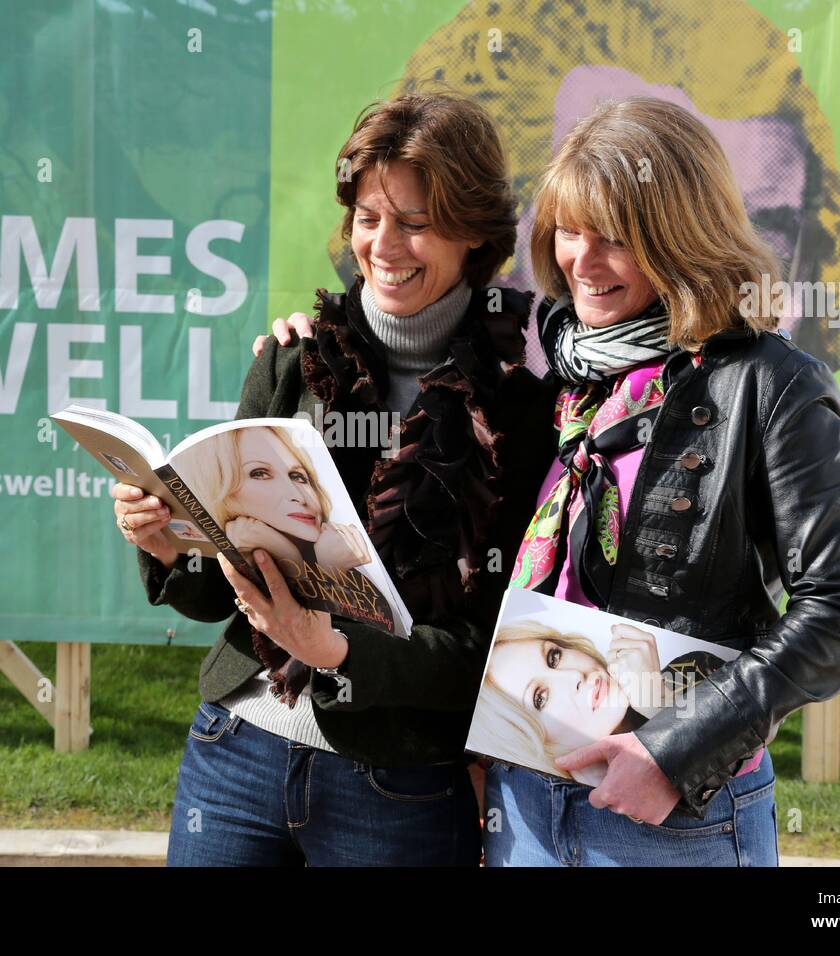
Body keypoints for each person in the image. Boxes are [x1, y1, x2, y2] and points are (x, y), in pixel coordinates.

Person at [261, 96, 840, 868]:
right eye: (568, 232)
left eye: (615, 238)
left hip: (668, 817)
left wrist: (674, 753)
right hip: (523, 796)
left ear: (680, 236)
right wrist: (313, 340)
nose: (582, 261)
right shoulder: (564, 379)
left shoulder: (769, 383)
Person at [114, 91, 557, 866]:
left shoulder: (523, 411)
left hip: (401, 783)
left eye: (416, 223)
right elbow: (219, 589)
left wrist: (339, 654)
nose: (385, 245)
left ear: (476, 236)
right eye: (369, 219)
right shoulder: (293, 358)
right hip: (236, 748)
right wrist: (163, 542)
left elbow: (490, 650)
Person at [469, 620, 723, 788]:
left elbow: (742, 751)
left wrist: (663, 708)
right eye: (540, 698)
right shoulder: (554, 815)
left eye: (554, 657)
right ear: (531, 745)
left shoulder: (691, 670)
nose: (573, 676)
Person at [181, 425, 370, 574]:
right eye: (260, 473)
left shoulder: (345, 551)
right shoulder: (217, 563)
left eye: (298, 476)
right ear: (220, 486)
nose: (298, 496)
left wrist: (319, 567)